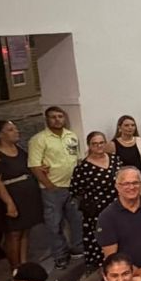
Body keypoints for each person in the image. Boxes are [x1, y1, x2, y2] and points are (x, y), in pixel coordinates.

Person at [28, 106, 83, 270]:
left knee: (76, 219)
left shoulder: (71, 136)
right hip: (52, 188)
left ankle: (78, 249)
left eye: (60, 116)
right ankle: (60, 255)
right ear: (47, 119)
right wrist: (49, 186)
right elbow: (35, 166)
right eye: (53, 117)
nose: (57, 119)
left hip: (72, 186)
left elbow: (76, 159)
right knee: (54, 223)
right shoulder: (39, 139)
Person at [0, 120, 42, 269]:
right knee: (13, 234)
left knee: (25, 230)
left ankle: (23, 264)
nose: (16, 131)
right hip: (10, 197)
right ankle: (15, 267)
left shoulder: (17, 148)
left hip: (27, 196)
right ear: (0, 134)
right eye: (11, 129)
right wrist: (9, 203)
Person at [71, 132, 122, 270]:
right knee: (102, 241)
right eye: (95, 143)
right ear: (89, 146)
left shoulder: (115, 159)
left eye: (101, 143)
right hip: (97, 212)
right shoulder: (83, 168)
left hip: (117, 206)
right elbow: (76, 190)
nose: (98, 146)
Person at [110, 115, 141, 198]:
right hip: (126, 184)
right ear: (120, 127)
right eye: (126, 125)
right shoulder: (113, 144)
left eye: (133, 125)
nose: (130, 128)